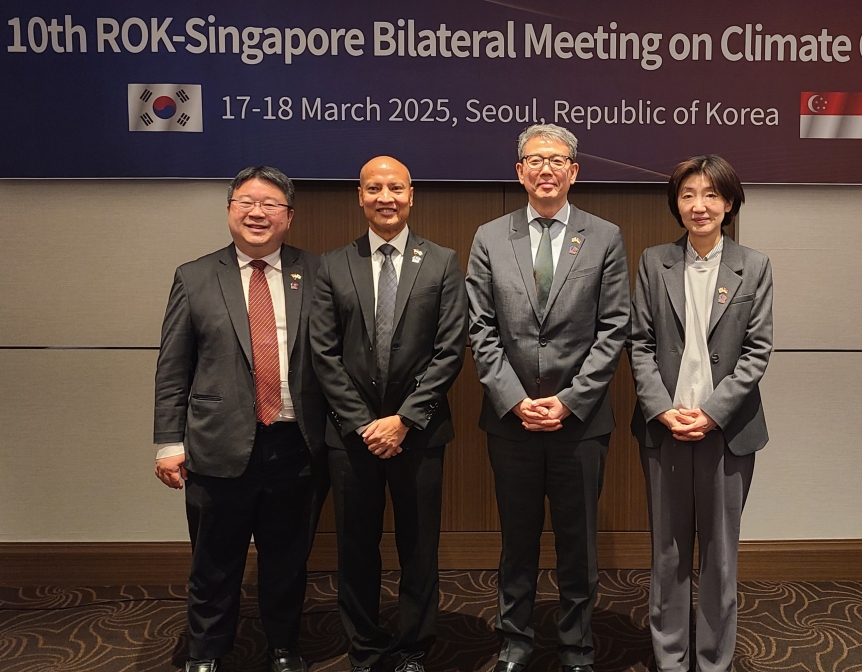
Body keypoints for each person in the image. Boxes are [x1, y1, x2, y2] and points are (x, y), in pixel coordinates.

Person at [466, 124, 630, 672]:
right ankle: (514, 641)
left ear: (574, 171)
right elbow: (481, 330)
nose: (545, 169)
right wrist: (514, 399)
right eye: (534, 160)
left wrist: (569, 400)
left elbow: (613, 330)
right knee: (516, 540)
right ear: (519, 172)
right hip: (510, 421)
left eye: (556, 160)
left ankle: (577, 646)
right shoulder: (489, 237)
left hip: (579, 422)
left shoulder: (605, 236)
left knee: (577, 541)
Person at [153, 166, 327, 672]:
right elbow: (173, 367)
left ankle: (284, 647)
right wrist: (168, 442)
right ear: (230, 210)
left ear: (289, 217)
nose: (258, 213)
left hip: (296, 444)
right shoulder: (195, 276)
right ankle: (206, 652)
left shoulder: (316, 273)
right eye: (246, 202)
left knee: (287, 560)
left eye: (271, 204)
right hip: (217, 444)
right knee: (214, 560)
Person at [309, 156, 468, 672]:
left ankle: (415, 647)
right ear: (359, 196)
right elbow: (324, 355)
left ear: (411, 194)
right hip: (350, 436)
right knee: (356, 547)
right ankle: (366, 646)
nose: (385, 198)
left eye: (395, 188)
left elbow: (450, 351)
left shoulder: (442, 262)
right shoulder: (332, 264)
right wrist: (363, 422)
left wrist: (403, 419)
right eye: (374, 188)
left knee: (419, 548)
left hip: (418, 434)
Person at [628, 155, 773, 672]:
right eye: (689, 194)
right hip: (666, 429)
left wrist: (711, 412)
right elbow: (639, 345)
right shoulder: (653, 262)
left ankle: (713, 660)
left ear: (729, 203)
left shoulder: (753, 266)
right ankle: (670, 658)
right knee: (667, 554)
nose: (699, 205)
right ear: (677, 204)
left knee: (719, 555)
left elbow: (757, 351)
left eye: (711, 195)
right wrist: (663, 410)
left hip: (727, 432)